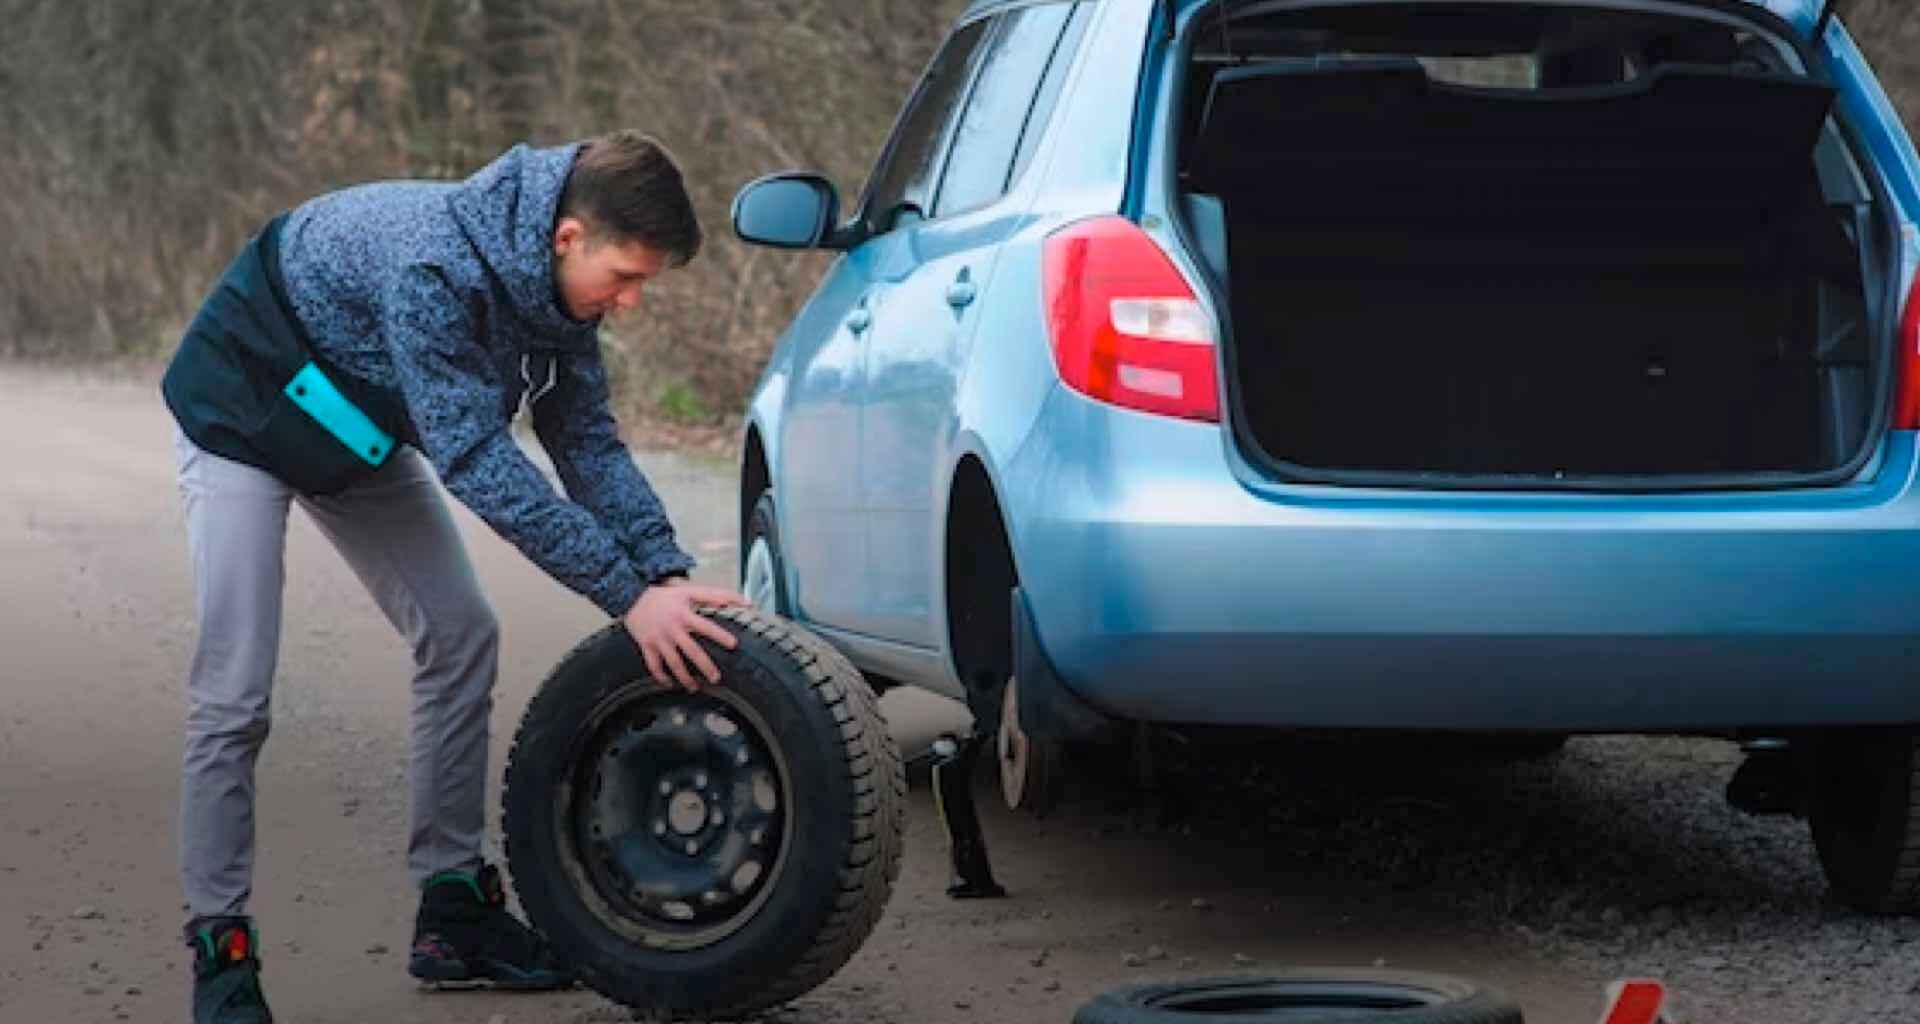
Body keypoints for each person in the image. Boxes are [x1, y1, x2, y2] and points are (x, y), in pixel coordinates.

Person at [161, 130, 748, 1023]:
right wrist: (625, 598)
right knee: (235, 692)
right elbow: (475, 458)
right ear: (568, 237)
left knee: (461, 632)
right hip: (240, 411)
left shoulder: (562, 308)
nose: (629, 301)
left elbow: (585, 445)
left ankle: (453, 911)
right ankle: (220, 946)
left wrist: (662, 574)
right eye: (625, 276)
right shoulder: (434, 266)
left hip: (354, 431)